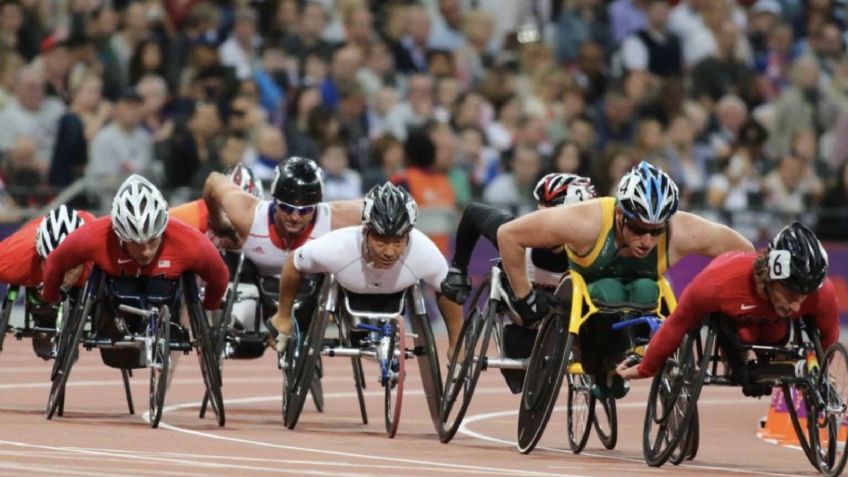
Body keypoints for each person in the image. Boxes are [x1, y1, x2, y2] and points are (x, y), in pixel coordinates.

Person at [497, 161, 754, 398]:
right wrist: (525, 297)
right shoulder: (588, 220)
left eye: (656, 231)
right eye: (638, 229)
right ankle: (604, 369)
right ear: (620, 214)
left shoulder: (682, 231)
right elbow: (508, 235)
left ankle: (620, 363)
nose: (647, 240)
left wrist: (732, 324)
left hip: (640, 305)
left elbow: (746, 254)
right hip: (585, 311)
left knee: (646, 290)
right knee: (609, 290)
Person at [617, 222, 837, 396]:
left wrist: (821, 374)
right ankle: (739, 362)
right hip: (736, 329)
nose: (797, 305)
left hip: (776, 330)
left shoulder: (820, 294)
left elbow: (828, 339)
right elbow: (678, 323)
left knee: (775, 332)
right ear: (770, 275)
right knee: (741, 335)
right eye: (790, 295)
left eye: (803, 296)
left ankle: (771, 359)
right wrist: (647, 367)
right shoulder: (718, 283)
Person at [441, 173, 597, 393]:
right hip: (517, 319)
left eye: (555, 216)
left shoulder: (592, 249)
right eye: (542, 213)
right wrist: (459, 267)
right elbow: (472, 212)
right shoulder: (514, 230)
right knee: (521, 382)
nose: (547, 224)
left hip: (561, 322)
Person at [267, 182, 463, 358]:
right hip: (348, 291)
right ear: (366, 232)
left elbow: (447, 288)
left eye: (398, 241)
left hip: (395, 295)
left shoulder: (423, 250)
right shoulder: (337, 246)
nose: (389, 252)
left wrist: (456, 342)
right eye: (381, 241)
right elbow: (294, 263)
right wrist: (283, 316)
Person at [41, 174, 228, 319]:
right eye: (136, 243)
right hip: (115, 301)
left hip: (167, 297)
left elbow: (220, 275)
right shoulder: (96, 236)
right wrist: (51, 296)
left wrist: (209, 304)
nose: (145, 251)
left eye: (152, 240)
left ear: (163, 230)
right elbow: (55, 262)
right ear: (119, 235)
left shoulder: (189, 241)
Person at [0, 205, 93, 358]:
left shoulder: (98, 258)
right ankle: (42, 311)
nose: (61, 276)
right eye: (52, 266)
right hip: (31, 239)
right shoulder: (11, 259)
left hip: (87, 227)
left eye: (69, 269)